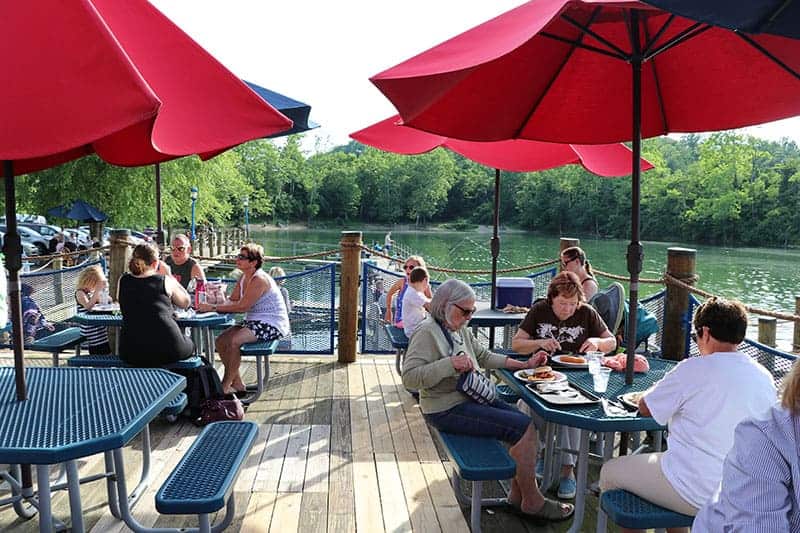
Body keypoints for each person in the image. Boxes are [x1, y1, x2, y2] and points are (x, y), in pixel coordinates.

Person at [599, 297, 776, 532]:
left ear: (706, 332)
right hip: (747, 492)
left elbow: (646, 407)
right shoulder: (764, 377)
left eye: (696, 336)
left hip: (697, 489)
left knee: (610, 471)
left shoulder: (693, 369)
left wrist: (652, 390)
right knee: (668, 473)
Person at [403, 279, 574, 521]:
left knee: (524, 421)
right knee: (524, 428)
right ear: (445, 305)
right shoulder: (427, 332)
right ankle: (532, 501)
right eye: (466, 311)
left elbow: (483, 356)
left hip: (467, 398)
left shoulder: (456, 326)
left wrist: (524, 364)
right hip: (445, 408)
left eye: (472, 311)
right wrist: (449, 364)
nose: (470, 316)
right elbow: (409, 379)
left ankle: (518, 495)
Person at [511, 271, 616, 498]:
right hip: (541, 375)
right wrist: (539, 343)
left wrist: (597, 342)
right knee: (528, 406)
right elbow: (517, 344)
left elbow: (612, 342)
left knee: (572, 413)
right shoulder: (539, 310)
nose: (568, 309)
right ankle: (538, 456)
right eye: (562, 304)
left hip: (577, 379)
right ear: (551, 299)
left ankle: (568, 472)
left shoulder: (587, 312)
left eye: (572, 304)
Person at [693, 361, 799, 532]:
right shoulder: (762, 373)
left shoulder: (691, 370)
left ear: (705, 336)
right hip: (726, 491)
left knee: (634, 469)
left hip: (700, 484)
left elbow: (648, 407)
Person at [197, 243, 290, 394]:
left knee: (234, 341)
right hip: (254, 322)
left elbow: (242, 307)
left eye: (242, 257)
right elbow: (233, 300)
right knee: (220, 341)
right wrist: (213, 301)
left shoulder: (259, 279)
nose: (237, 259)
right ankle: (238, 383)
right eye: (238, 256)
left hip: (272, 323)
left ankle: (224, 386)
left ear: (253, 262)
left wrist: (213, 308)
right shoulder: (243, 277)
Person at [117, 243, 194, 366]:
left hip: (131, 350)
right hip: (169, 347)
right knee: (190, 343)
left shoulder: (123, 280)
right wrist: (168, 275)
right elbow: (186, 302)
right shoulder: (164, 281)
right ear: (154, 263)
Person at [384, 255, 433, 327]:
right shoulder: (402, 282)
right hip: (401, 321)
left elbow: (430, 303)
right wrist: (388, 310)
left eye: (411, 267)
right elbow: (390, 293)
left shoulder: (425, 285)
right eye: (405, 267)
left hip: (416, 321)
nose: (407, 269)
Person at [74, 264, 111, 355]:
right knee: (99, 348)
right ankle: (99, 364)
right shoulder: (80, 293)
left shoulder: (91, 292)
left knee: (105, 345)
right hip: (89, 328)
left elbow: (107, 301)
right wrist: (97, 291)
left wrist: (104, 291)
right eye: (95, 283)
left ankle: (105, 362)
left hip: (98, 325)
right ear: (89, 281)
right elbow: (88, 307)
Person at [402, 266, 431, 338]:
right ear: (425, 280)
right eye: (428, 283)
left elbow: (427, 301)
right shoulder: (413, 294)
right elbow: (430, 306)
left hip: (416, 328)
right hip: (414, 332)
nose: (427, 286)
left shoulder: (414, 291)